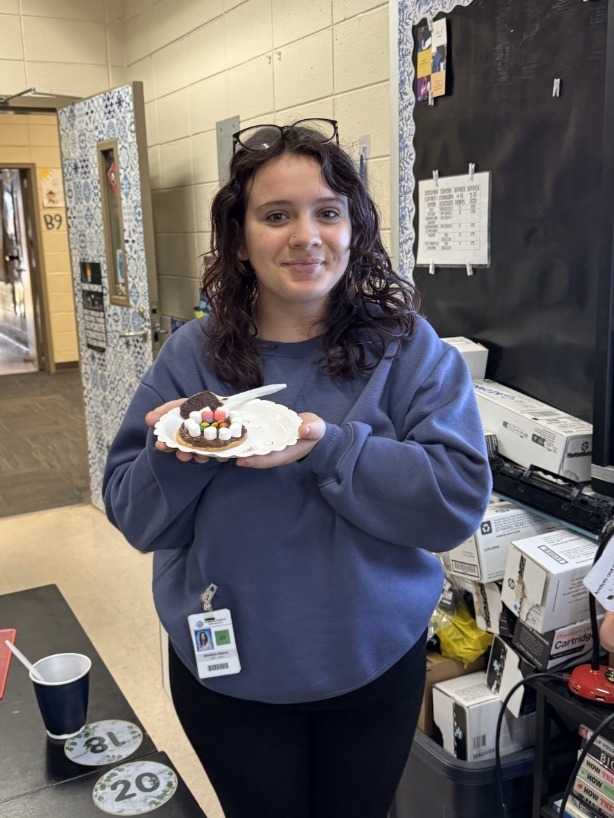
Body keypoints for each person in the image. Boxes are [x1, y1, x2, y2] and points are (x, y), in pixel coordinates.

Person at [103, 118, 492, 818]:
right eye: (275, 215)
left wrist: (330, 444)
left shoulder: (406, 349)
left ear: (354, 228)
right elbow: (133, 516)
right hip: (228, 669)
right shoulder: (192, 357)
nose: (305, 235)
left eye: (328, 212)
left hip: (372, 663)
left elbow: (455, 502)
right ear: (241, 238)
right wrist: (187, 451)